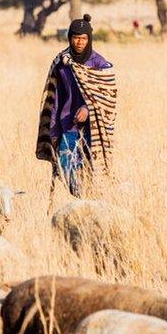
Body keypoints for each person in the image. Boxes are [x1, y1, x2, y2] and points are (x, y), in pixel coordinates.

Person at [35, 14, 117, 198]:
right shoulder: (62, 62)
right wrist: (53, 129)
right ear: (70, 38)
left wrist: (88, 109)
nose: (79, 42)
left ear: (89, 39)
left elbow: (108, 96)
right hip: (67, 125)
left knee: (91, 168)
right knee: (65, 165)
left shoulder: (100, 64)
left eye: (83, 38)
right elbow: (54, 97)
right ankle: (80, 196)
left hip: (93, 128)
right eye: (76, 38)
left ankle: (88, 199)